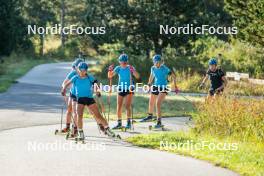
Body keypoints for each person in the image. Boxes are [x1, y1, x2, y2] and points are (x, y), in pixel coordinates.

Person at [61, 62, 116, 140]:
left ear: (86, 70)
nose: (83, 72)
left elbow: (96, 83)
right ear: (78, 70)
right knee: (79, 115)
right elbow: (67, 84)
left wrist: (97, 90)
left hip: (89, 98)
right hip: (79, 99)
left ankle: (107, 129)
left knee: (98, 115)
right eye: (81, 70)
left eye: (85, 70)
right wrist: (63, 89)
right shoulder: (75, 77)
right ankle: (80, 133)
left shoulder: (90, 77)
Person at [140, 54, 178, 128]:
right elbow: (151, 76)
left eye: (159, 62)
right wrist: (148, 84)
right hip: (155, 86)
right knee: (151, 102)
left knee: (158, 103)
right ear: (154, 62)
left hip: (163, 87)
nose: (158, 63)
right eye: (156, 62)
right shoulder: (153, 68)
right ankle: (150, 116)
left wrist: (175, 86)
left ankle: (159, 122)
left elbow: (173, 76)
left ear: (161, 62)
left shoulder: (164, 68)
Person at [108, 54, 140, 130]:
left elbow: (137, 76)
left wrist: (133, 71)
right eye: (122, 62)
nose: (124, 63)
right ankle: (119, 123)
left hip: (129, 89)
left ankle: (129, 123)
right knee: (119, 106)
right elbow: (110, 76)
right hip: (120, 88)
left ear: (127, 61)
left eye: (125, 62)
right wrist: (110, 70)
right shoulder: (118, 68)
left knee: (127, 106)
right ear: (119, 62)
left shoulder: (130, 68)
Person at [60, 58, 83, 134]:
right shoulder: (73, 73)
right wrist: (64, 88)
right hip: (72, 93)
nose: (74, 69)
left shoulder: (85, 73)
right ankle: (67, 127)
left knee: (76, 112)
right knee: (69, 110)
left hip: (80, 95)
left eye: (75, 67)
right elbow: (64, 82)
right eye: (74, 67)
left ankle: (75, 128)